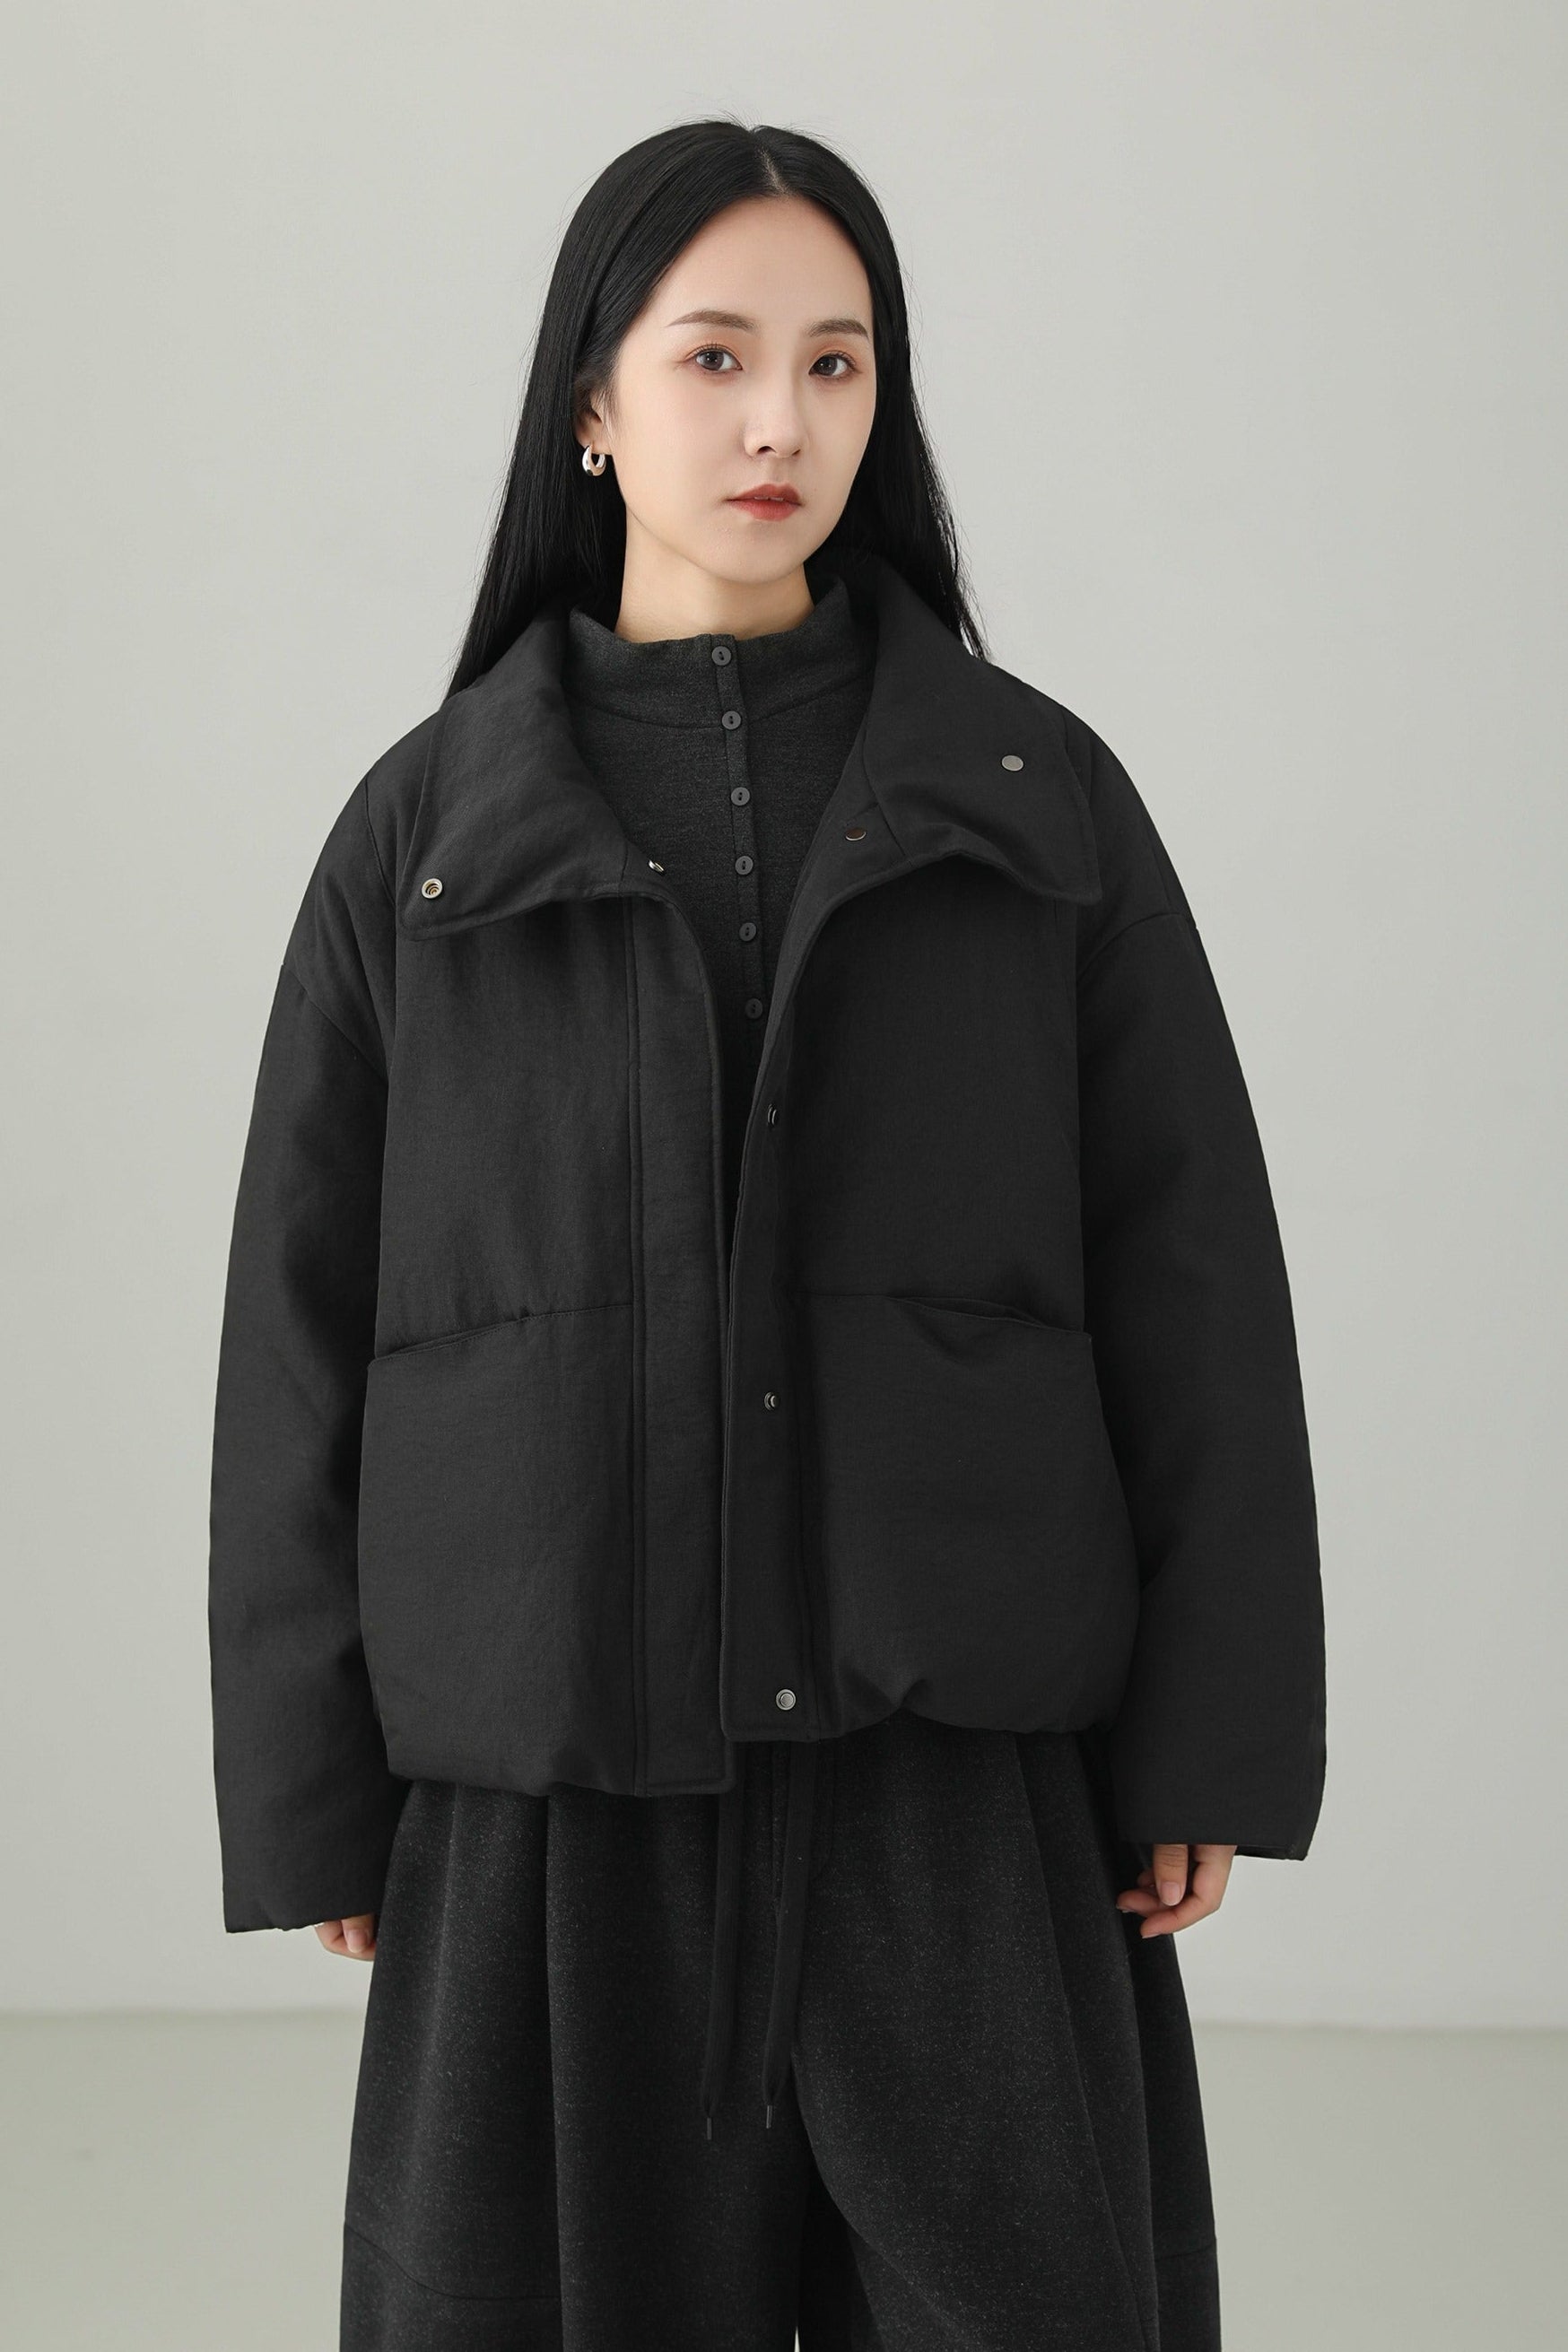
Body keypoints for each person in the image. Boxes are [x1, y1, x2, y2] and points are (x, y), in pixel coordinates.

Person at [207, 118, 1326, 2351]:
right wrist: (314, 1788)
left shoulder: (1040, 803)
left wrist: (1208, 1737)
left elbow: (1190, 1270)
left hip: (958, 1778)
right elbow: (300, 1324)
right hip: (553, 1780)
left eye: (835, 364)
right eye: (713, 357)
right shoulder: (424, 838)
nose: (778, 423)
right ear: (592, 406)